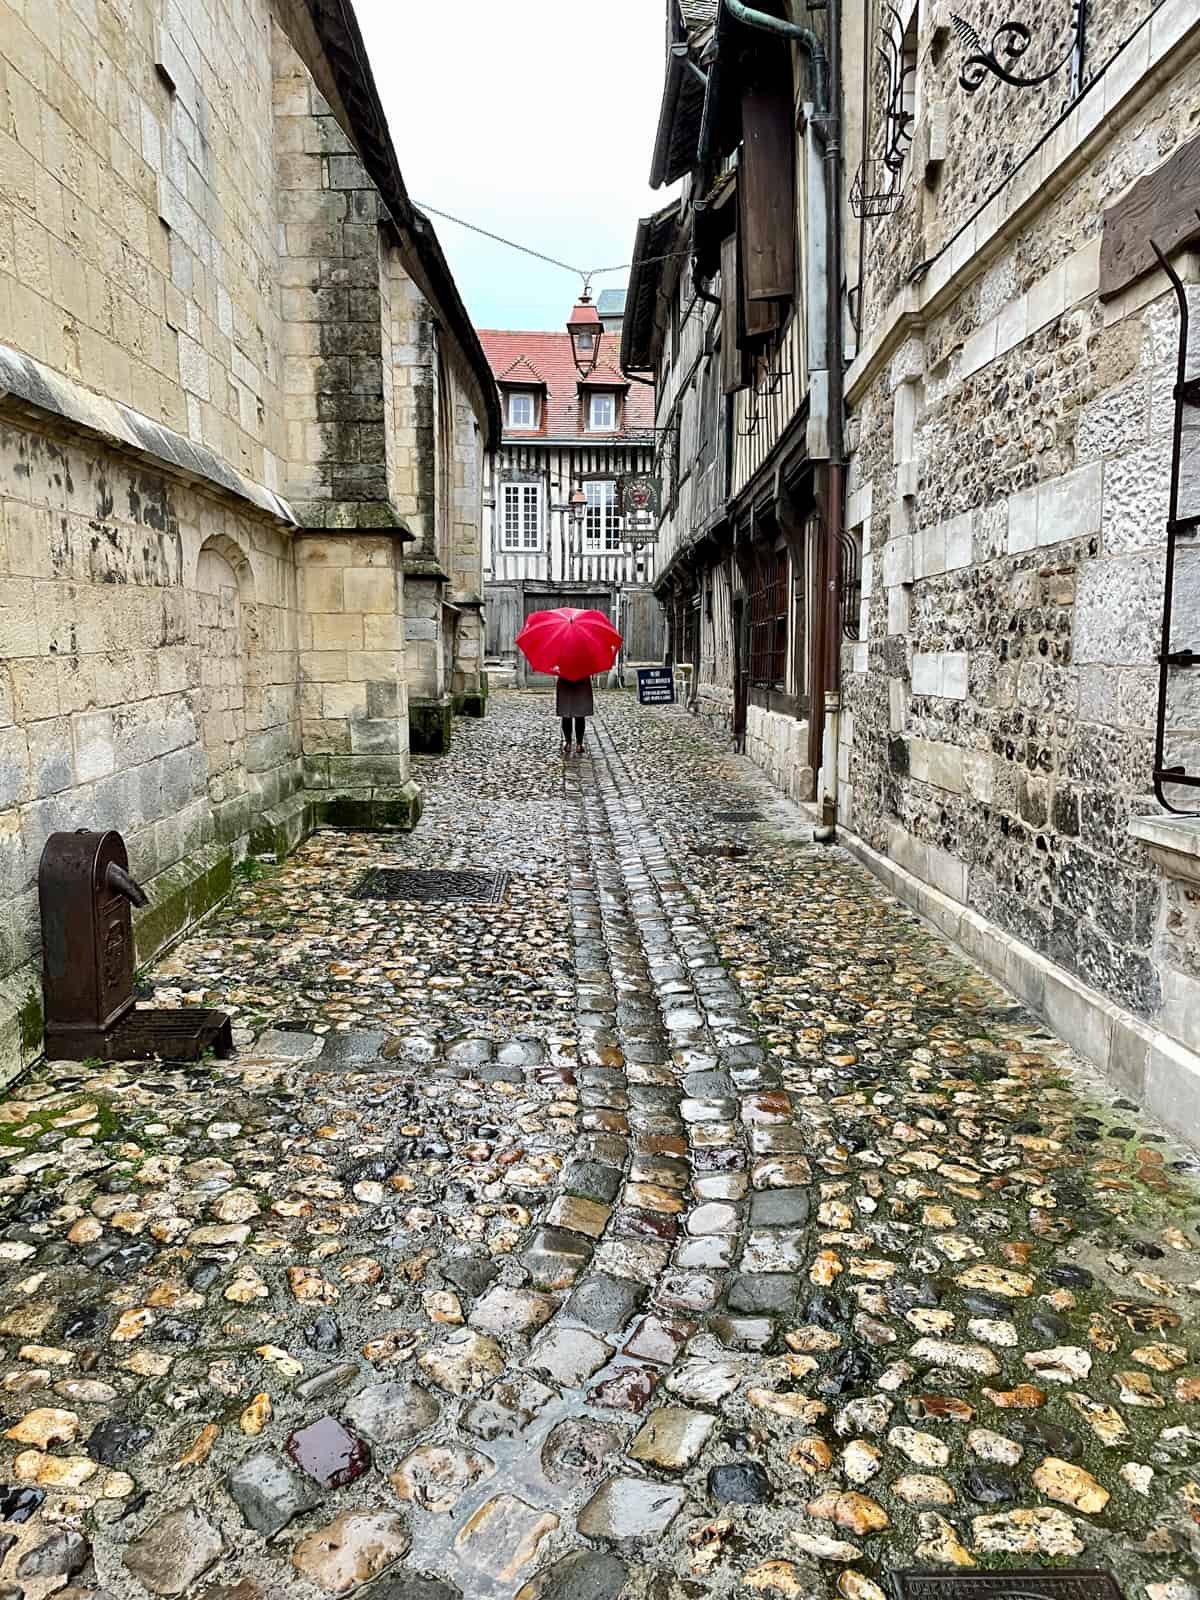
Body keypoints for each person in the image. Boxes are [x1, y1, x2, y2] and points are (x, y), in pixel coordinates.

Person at [556, 674, 594, 756]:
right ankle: (579, 744)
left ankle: (568, 743)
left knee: (566, 714)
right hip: (581, 682)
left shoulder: (563, 661)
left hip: (565, 681)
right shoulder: (584, 661)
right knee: (580, 714)